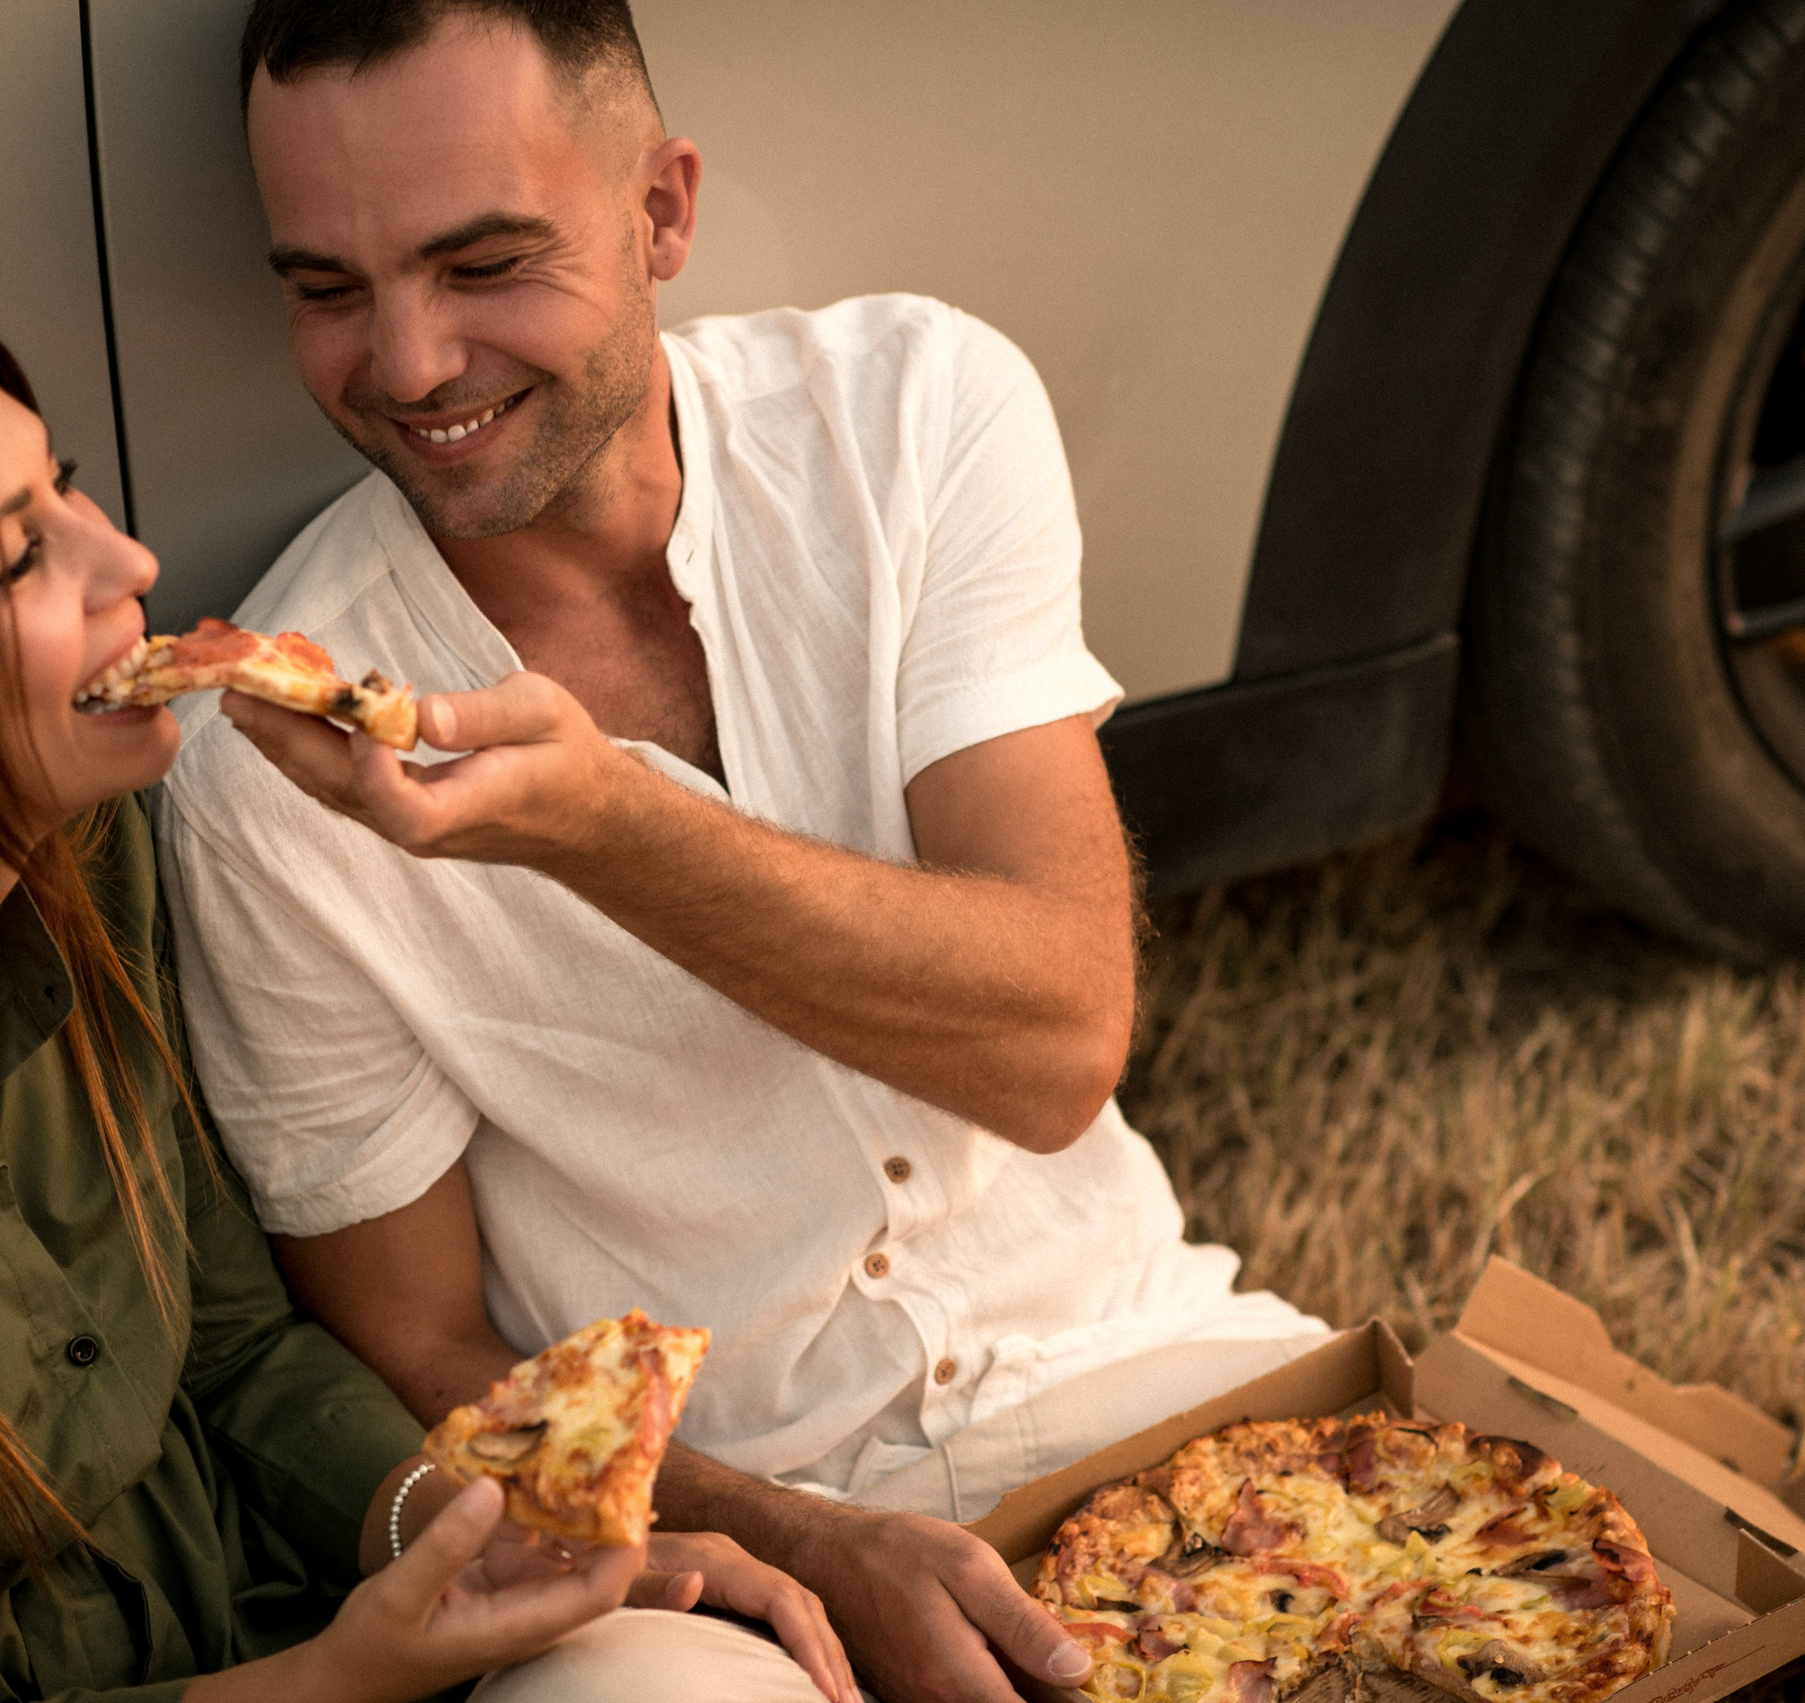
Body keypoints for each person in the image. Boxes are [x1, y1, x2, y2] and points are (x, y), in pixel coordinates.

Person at [157, 3, 1337, 1699]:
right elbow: (411, 1339)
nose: (407, 365)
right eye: (327, 289)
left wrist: (603, 832)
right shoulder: (264, 769)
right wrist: (797, 1537)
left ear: (659, 215)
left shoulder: (917, 414)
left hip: (1140, 1367)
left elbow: (1059, 1039)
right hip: (710, 1556)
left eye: (482, 263)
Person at [0, 294, 823, 1703]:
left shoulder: (89, 865)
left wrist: (460, 1532)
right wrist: (339, 1682)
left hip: (302, 1618)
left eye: (66, 486)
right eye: (22, 560)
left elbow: (239, 1355)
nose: (131, 559)